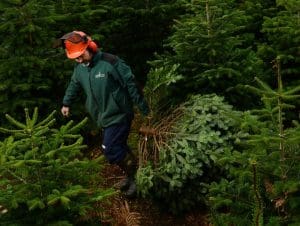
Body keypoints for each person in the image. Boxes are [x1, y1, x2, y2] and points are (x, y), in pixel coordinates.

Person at [59, 31, 149, 198]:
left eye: (80, 55)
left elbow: (131, 84)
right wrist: (66, 102)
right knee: (119, 145)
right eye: (75, 58)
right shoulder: (80, 68)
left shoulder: (110, 62)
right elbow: (74, 84)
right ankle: (133, 176)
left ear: (89, 47)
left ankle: (135, 178)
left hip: (119, 114)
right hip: (103, 117)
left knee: (110, 149)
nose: (78, 60)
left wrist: (145, 110)